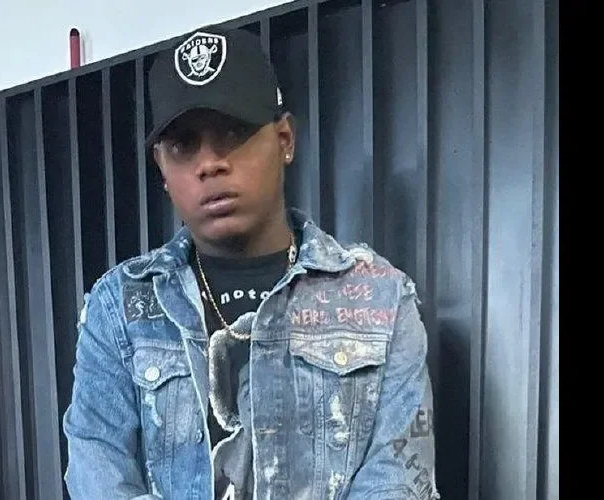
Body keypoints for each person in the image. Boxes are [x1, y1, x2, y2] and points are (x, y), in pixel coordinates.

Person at [62, 25, 439, 500]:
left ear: (284, 139)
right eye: (183, 145)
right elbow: (99, 476)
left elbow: (398, 483)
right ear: (162, 168)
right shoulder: (119, 307)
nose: (209, 164)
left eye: (233, 132)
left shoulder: (380, 300)